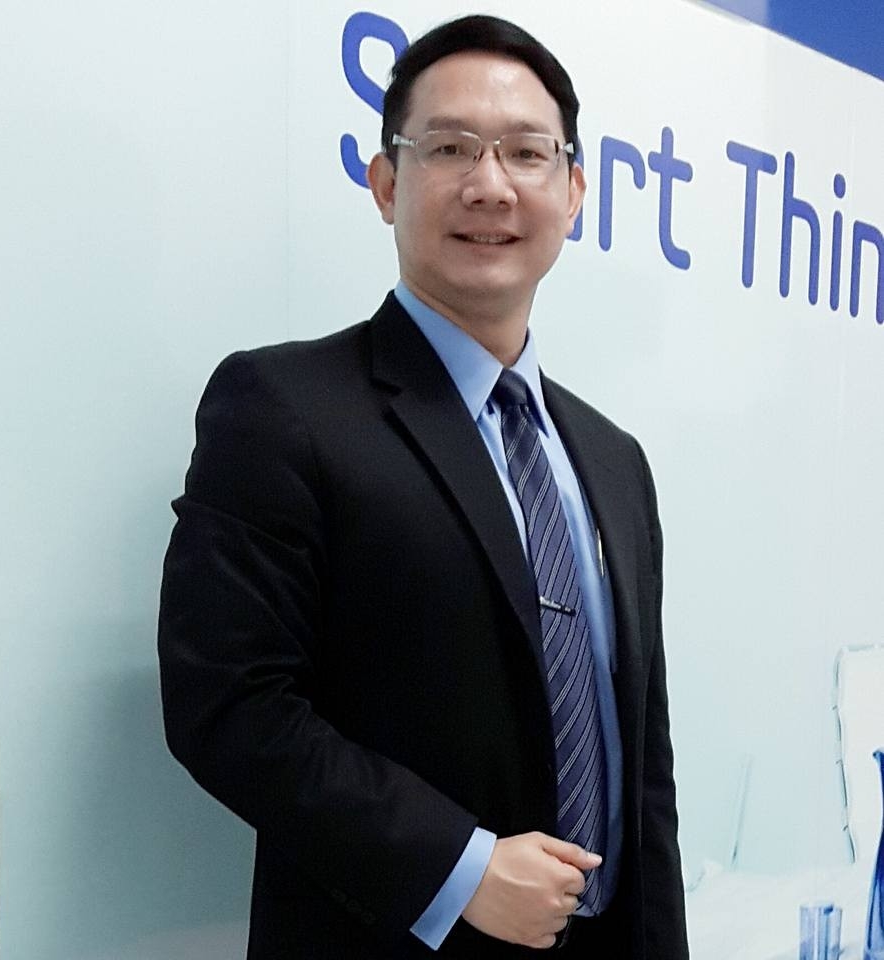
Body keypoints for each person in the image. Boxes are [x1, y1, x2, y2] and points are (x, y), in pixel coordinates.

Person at [158, 13, 688, 960]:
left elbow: (642, 773)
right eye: (448, 148)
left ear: (573, 192)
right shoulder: (283, 408)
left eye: (526, 152)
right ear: (385, 182)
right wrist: (460, 869)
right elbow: (228, 705)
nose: (490, 184)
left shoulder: (614, 461)